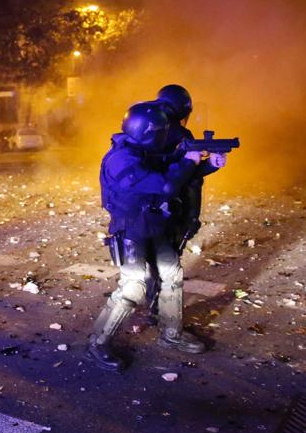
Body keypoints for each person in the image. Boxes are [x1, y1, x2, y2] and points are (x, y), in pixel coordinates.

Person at [86, 100, 226, 372]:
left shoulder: (143, 150)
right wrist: (188, 162)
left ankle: (171, 334)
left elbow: (173, 170)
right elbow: (165, 185)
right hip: (131, 228)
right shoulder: (120, 160)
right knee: (133, 286)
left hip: (157, 222)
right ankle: (99, 342)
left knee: (171, 274)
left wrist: (209, 165)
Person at [145, 84, 223, 324]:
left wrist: (212, 164)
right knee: (160, 263)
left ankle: (159, 308)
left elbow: (190, 176)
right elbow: (165, 177)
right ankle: (157, 310)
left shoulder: (178, 136)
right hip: (162, 207)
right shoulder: (152, 136)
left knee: (165, 260)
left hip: (176, 207)